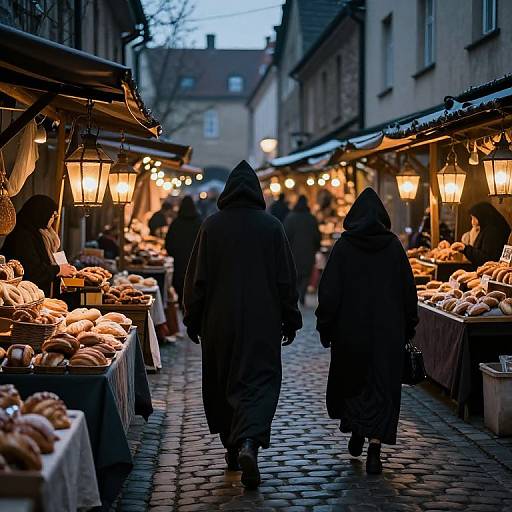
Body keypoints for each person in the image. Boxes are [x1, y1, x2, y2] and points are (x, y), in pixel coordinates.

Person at [183, 160, 302, 488]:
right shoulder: (272, 227)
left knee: (224, 381)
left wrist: (192, 318)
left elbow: (197, 280)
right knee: (258, 382)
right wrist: (290, 318)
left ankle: (232, 448)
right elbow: (285, 280)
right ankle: (249, 442)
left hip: (220, 321)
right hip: (263, 320)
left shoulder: (212, 226)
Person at [315, 188, 418, 475]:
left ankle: (357, 431)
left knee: (354, 383)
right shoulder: (394, 247)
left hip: (351, 334)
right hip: (387, 334)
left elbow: (329, 292)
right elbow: (409, 292)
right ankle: (374, 447)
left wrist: (326, 326)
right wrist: (409, 325)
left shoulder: (344, 247)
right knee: (382, 387)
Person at [1, 195, 76, 296]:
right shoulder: (22, 236)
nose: (53, 218)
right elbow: (32, 271)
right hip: (24, 294)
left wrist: (64, 269)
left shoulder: (40, 233)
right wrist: (59, 270)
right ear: (41, 213)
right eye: (52, 215)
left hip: (38, 292)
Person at [165, 195, 202, 308]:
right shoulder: (200, 222)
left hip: (180, 259)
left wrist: (174, 253)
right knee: (194, 282)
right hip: (196, 259)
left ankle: (183, 304)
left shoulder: (176, 223)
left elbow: (169, 242)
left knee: (180, 282)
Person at [284, 195, 321, 305]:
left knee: (295, 274)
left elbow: (285, 236)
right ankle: (302, 294)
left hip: (293, 252)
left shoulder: (290, 218)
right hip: (308, 251)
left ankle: (298, 294)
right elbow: (317, 236)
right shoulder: (311, 218)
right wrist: (317, 247)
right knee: (306, 275)